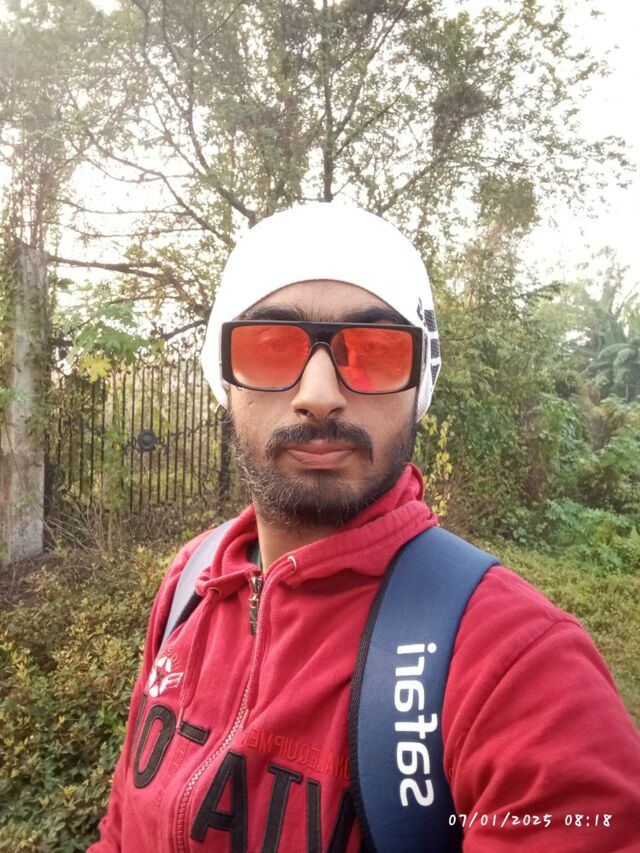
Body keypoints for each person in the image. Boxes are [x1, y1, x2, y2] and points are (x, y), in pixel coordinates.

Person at [89, 204, 640, 852]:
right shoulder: (193, 580)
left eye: (374, 351)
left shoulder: (521, 669)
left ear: (419, 384)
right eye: (271, 347)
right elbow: (120, 833)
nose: (319, 395)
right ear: (224, 379)